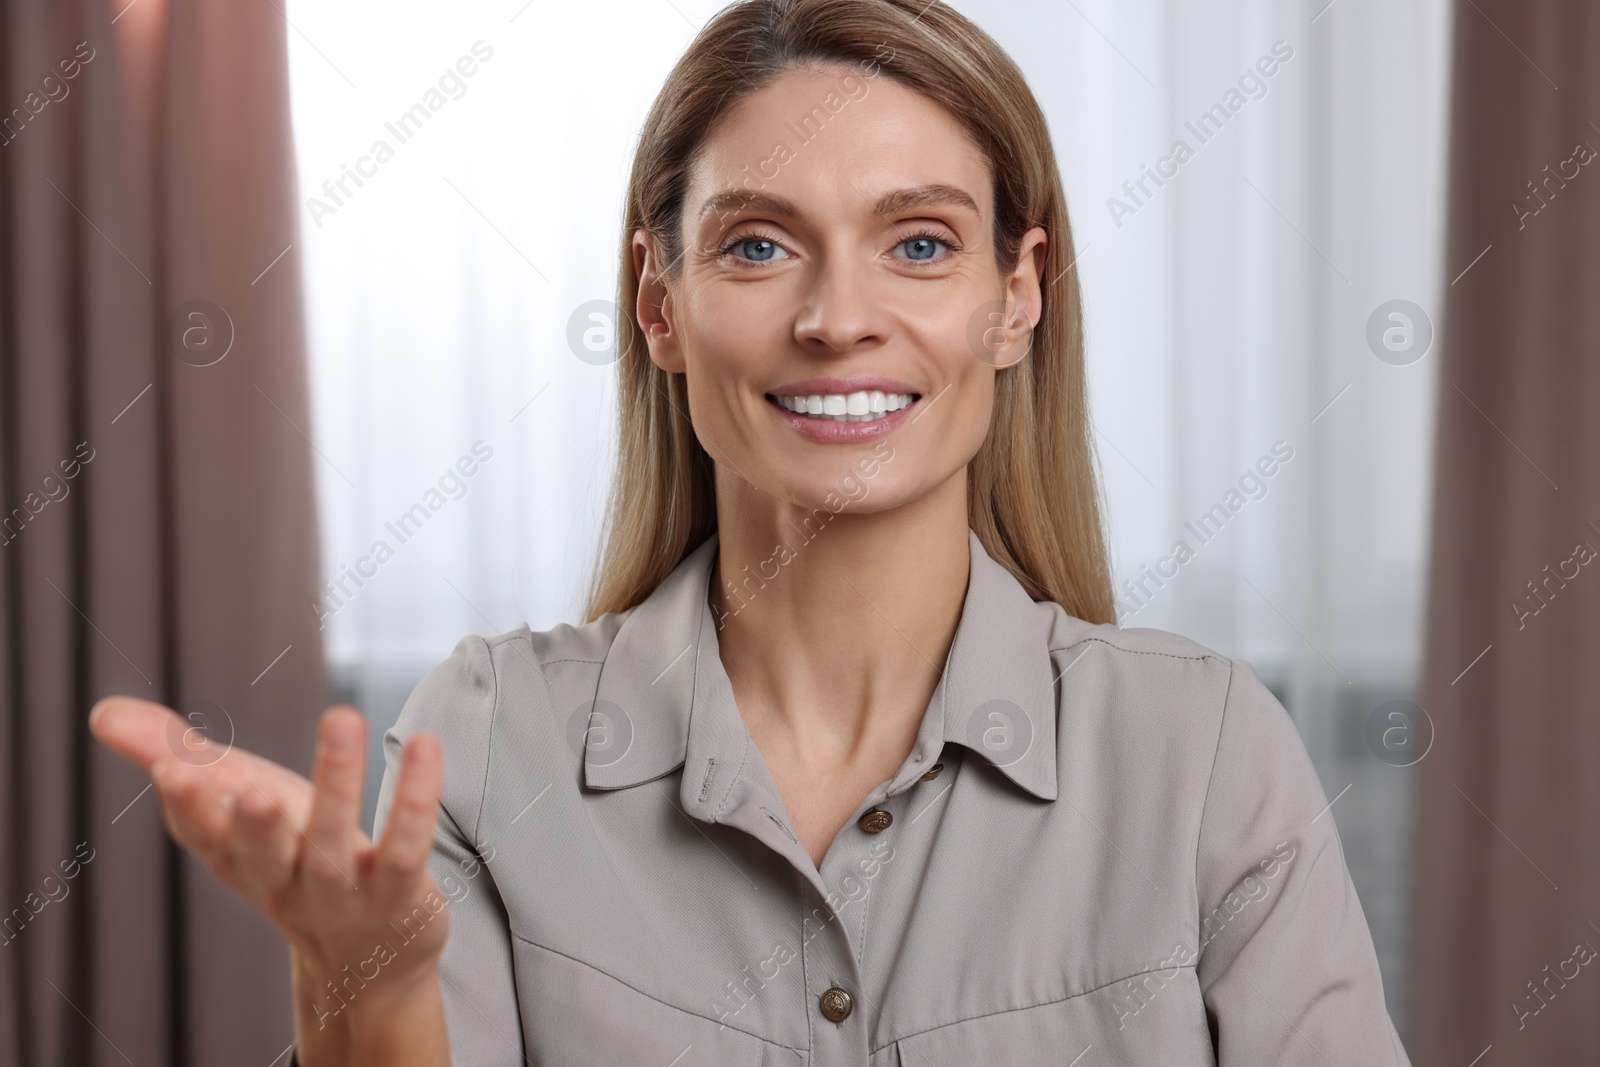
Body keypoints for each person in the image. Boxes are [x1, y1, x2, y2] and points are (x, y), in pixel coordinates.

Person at [88, 0, 1412, 1063]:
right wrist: (358, 986)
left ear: (1018, 300)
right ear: (660, 309)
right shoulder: (495, 740)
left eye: (921, 245)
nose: (840, 318)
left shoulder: (1205, 753)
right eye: (761, 247)